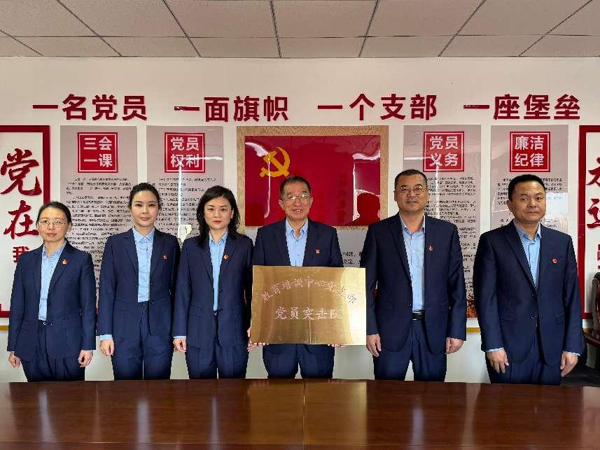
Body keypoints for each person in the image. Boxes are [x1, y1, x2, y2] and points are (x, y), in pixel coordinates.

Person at [474, 174, 583, 385]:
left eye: (538, 198)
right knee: (508, 404)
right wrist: (493, 345)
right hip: (507, 347)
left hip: (552, 346)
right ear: (510, 204)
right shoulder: (492, 242)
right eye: (524, 198)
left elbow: (571, 297)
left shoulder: (562, 243)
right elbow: (485, 298)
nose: (532, 204)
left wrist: (572, 347)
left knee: (549, 405)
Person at [360, 169, 467, 381]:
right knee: (387, 395)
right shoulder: (379, 232)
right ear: (395, 195)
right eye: (404, 189)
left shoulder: (446, 232)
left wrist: (456, 330)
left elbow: (457, 285)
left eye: (418, 189)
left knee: (432, 395)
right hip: (389, 330)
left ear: (427, 193)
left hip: (433, 329)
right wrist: (369, 329)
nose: (411, 194)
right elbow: (365, 285)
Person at [252, 175, 343, 378]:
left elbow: (337, 281)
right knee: (279, 391)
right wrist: (258, 324)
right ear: (281, 203)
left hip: (318, 332)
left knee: (319, 390)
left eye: (303, 196)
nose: (297, 202)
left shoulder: (327, 234)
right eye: (291, 197)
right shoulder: (266, 235)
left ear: (311, 200)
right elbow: (257, 283)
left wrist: (338, 327)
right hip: (278, 332)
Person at [98, 183, 180, 380]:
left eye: (151, 205)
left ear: (158, 208)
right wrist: (105, 334)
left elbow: (178, 290)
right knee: (125, 386)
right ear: (130, 208)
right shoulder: (115, 243)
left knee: (159, 384)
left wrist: (178, 331)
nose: (145, 211)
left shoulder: (170, 243)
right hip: (124, 324)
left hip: (160, 324)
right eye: (138, 205)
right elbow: (107, 290)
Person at [7, 201, 96, 381]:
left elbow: (88, 307)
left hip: (68, 343)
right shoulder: (26, 260)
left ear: (69, 226)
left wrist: (88, 346)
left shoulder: (81, 260)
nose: (51, 227)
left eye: (58, 222)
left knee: (70, 397)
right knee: (34, 396)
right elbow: (17, 305)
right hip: (31, 342)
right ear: (38, 225)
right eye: (45, 221)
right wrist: (13, 346)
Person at [172, 186, 253, 379]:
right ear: (203, 213)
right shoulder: (191, 247)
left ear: (232, 213)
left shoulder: (244, 245)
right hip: (198, 329)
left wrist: (255, 325)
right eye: (211, 209)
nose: (217, 214)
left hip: (234, 329)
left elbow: (253, 289)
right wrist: (179, 332)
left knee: (233, 391)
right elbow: (182, 290)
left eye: (223, 209)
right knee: (200, 391)